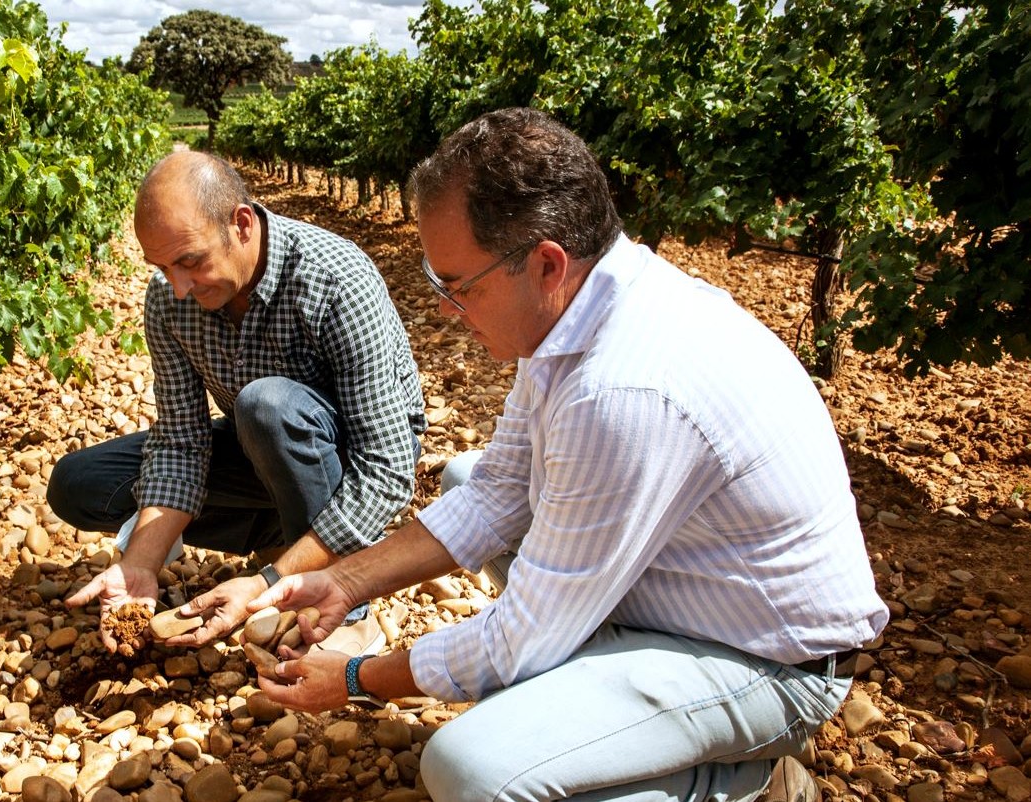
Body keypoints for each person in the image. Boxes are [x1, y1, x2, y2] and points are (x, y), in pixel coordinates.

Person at [251, 107, 889, 802]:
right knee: (468, 475)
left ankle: (741, 776)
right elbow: (497, 491)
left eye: (456, 286)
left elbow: (519, 640)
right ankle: (608, 706)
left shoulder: (621, 389)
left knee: (471, 771)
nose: (443, 310)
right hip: (686, 598)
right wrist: (345, 584)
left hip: (770, 664)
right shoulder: (575, 314)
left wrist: (354, 677)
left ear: (547, 263)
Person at [48, 150, 426, 653]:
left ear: (241, 224)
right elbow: (181, 441)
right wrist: (140, 563)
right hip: (262, 447)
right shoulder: (170, 298)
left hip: (351, 456)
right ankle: (289, 534)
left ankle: (344, 605)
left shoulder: (335, 278)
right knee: (81, 484)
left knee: (266, 406)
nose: (177, 287)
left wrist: (269, 582)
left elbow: (386, 466)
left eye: (189, 261)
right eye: (161, 267)